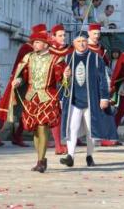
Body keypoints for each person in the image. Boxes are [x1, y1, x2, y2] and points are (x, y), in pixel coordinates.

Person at [9, 30, 66, 173]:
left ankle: (41, 161)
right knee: (34, 129)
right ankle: (40, 159)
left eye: (38, 42)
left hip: (47, 96)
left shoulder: (56, 59)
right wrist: (18, 80)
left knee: (42, 126)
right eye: (34, 42)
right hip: (31, 97)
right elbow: (23, 76)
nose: (35, 44)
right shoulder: (28, 57)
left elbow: (61, 80)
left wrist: (66, 75)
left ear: (46, 44)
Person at [60, 32, 118, 168]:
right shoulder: (68, 58)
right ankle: (70, 156)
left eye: (84, 41)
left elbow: (103, 79)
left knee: (90, 129)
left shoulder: (96, 58)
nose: (81, 43)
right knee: (72, 127)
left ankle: (89, 155)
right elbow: (60, 81)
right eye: (78, 41)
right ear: (74, 43)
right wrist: (65, 76)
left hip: (91, 100)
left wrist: (104, 97)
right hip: (74, 99)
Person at [0, 23, 48, 147]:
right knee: (24, 110)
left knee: (29, 110)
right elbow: (22, 67)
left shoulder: (38, 48)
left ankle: (20, 135)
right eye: (44, 34)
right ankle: (17, 136)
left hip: (33, 83)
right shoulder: (27, 48)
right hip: (23, 84)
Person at [48, 24, 71, 155]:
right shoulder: (49, 51)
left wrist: (69, 71)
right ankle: (57, 144)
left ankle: (67, 142)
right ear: (54, 37)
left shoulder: (69, 50)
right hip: (54, 86)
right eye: (60, 35)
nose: (63, 38)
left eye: (64, 35)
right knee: (55, 115)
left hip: (69, 85)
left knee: (68, 114)